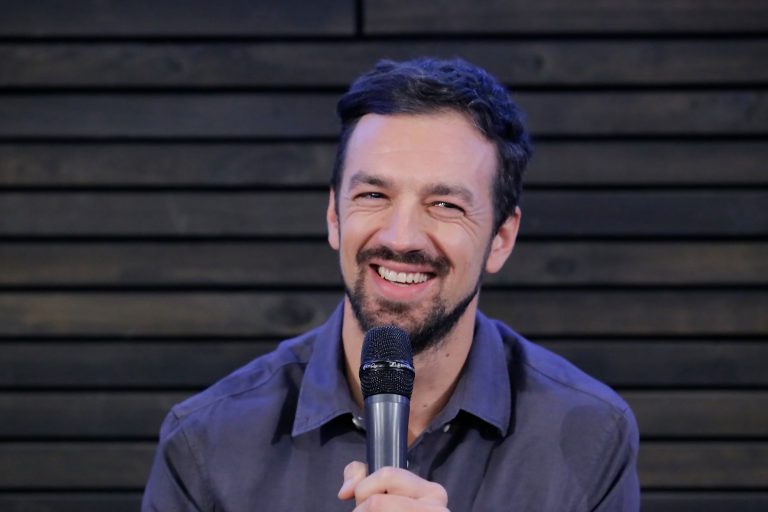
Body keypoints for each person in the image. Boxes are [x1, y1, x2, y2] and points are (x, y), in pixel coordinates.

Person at [142, 57, 639, 511]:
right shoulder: (206, 443)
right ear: (334, 215)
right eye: (374, 195)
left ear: (501, 239)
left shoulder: (591, 435)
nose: (401, 238)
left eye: (445, 205)